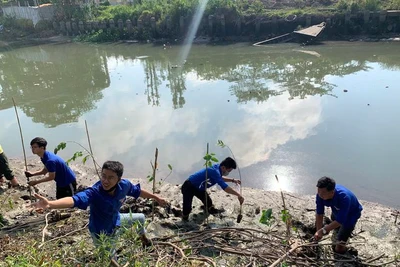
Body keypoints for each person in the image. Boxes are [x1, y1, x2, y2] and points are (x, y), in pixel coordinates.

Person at [31, 160, 168, 253]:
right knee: (110, 258)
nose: (105, 181)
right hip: (101, 233)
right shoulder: (95, 192)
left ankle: (144, 240)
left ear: (118, 179)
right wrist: (50, 204)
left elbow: (138, 192)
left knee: (141, 218)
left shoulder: (124, 186)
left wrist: (157, 197)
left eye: (110, 177)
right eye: (103, 176)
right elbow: (74, 200)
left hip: (116, 220)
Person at [181, 157, 244, 221]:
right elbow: (225, 187)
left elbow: (219, 178)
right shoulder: (215, 171)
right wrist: (238, 195)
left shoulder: (218, 168)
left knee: (209, 203)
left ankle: (205, 213)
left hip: (199, 188)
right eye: (229, 171)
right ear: (224, 167)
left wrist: (233, 180)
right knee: (187, 209)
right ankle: (184, 220)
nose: (228, 172)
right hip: (189, 186)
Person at [314, 176, 363, 254]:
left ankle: (348, 248)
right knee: (334, 219)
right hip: (337, 211)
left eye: (323, 193)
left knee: (339, 249)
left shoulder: (344, 197)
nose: (320, 195)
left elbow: (340, 221)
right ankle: (338, 228)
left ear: (332, 192)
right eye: (318, 191)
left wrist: (323, 230)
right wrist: (318, 232)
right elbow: (319, 213)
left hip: (350, 215)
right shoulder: (320, 195)